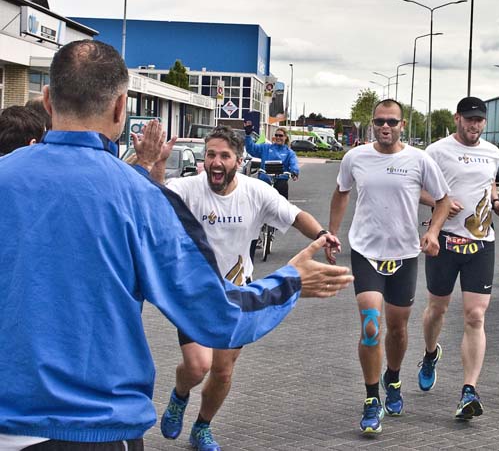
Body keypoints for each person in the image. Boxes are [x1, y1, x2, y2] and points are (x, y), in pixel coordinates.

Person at [0, 39, 353, 450]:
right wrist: (291, 281)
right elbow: (216, 316)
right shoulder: (142, 199)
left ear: (46, 100)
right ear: (120, 108)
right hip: (93, 427)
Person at [153, 125, 342, 451]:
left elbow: (295, 216)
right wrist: (156, 166)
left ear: (238, 161)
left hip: (239, 295)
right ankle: (179, 395)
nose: (215, 161)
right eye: (210, 154)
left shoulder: (256, 192)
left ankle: (202, 427)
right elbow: (152, 200)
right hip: (196, 294)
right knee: (198, 366)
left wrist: (322, 234)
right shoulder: (187, 188)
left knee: (223, 373)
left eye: (224, 156)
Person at [328, 99, 450, 435]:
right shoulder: (355, 158)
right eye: (380, 121)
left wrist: (433, 231)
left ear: (402, 125)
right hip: (366, 252)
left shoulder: (418, 160)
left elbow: (444, 200)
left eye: (392, 122)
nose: (386, 127)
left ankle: (392, 379)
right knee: (371, 326)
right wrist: (333, 232)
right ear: (372, 124)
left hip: (405, 255)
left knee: (396, 329)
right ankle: (370, 400)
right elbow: (341, 192)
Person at [417, 96, 499, 419]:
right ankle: (430, 354)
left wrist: (497, 204)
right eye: (469, 119)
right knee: (437, 309)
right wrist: (441, 201)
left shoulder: (493, 153)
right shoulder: (436, 151)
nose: (474, 125)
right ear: (457, 118)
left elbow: (490, 186)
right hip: (444, 240)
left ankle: (469, 390)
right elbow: (416, 188)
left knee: (475, 316)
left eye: (480, 120)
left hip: (481, 242)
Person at [243, 124, 299, 199]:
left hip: (281, 179)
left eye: (280, 136)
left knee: (282, 194)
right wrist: (248, 135)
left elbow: (294, 163)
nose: (278, 137)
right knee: (260, 198)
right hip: (265, 178)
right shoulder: (266, 147)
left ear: (285, 137)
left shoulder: (289, 152)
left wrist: (294, 171)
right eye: (276, 135)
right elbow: (252, 149)